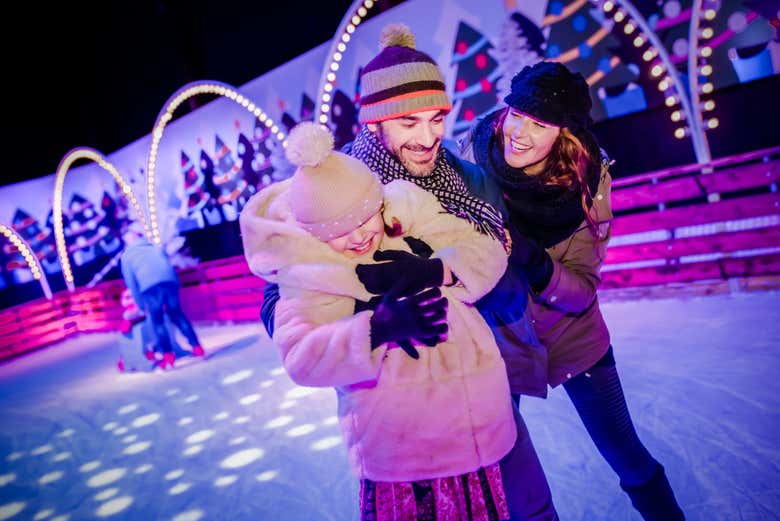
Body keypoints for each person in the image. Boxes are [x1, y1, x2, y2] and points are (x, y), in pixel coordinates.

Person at [259, 24, 558, 520]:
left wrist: (446, 269)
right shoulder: (337, 188)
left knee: (529, 506)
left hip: (486, 373)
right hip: (400, 404)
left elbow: (502, 274)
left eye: (436, 118)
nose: (428, 137)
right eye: (408, 122)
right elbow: (281, 298)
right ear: (375, 124)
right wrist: (369, 320)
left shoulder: (467, 178)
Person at [240, 121, 516, 520]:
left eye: (363, 220)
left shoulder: (409, 209)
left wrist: (436, 270)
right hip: (404, 453)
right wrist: (375, 329)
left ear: (378, 204)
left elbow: (487, 250)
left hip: (478, 423)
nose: (356, 238)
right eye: (338, 232)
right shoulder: (311, 273)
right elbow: (300, 355)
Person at [459, 61, 685, 521]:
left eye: (539, 123)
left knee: (627, 455)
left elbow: (582, 291)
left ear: (562, 133)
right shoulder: (472, 156)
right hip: (499, 341)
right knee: (510, 482)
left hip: (573, 340)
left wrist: (535, 262)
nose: (518, 132)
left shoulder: (585, 181)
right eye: (516, 114)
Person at [120, 226, 205, 370]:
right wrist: (176, 283)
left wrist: (141, 306)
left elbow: (132, 284)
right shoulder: (153, 246)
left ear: (127, 241)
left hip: (149, 288)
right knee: (177, 315)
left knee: (157, 321)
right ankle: (197, 347)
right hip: (169, 281)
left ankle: (168, 357)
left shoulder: (127, 256)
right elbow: (167, 265)